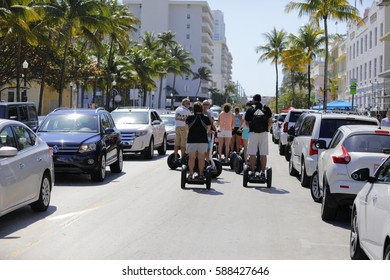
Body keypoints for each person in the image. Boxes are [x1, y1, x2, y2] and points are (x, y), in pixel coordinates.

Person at [244, 94, 272, 180]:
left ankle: (252, 172)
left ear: (254, 100)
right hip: (263, 133)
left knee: (252, 153)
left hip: (253, 133)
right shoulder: (266, 108)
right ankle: (263, 172)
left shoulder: (250, 109)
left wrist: (251, 128)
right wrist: (267, 129)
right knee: (263, 153)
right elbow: (270, 121)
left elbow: (246, 122)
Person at [185, 101, 211, 179]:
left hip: (192, 140)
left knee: (191, 158)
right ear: (202, 109)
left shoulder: (189, 118)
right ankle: (201, 174)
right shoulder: (206, 118)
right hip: (203, 140)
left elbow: (187, 130)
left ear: (194, 109)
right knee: (201, 158)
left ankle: (191, 174)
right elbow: (208, 130)